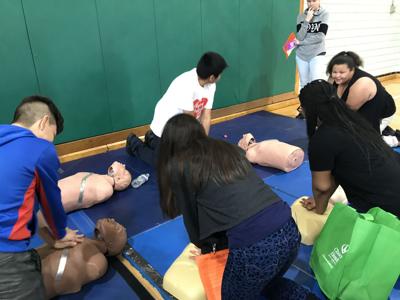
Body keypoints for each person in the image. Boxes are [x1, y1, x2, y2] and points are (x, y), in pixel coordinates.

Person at [157, 113, 317, 299]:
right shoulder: (226, 149)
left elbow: (193, 223)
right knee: (268, 283)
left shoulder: (181, 165)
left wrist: (206, 250)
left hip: (258, 248)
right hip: (289, 230)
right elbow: (236, 202)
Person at [0, 96, 83, 299]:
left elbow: (20, 201)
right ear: (44, 122)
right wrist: (60, 233)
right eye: (52, 135)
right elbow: (51, 203)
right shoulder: (40, 149)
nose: (50, 143)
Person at [299, 80, 400, 217]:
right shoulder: (354, 120)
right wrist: (321, 201)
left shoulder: (322, 139)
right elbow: (336, 170)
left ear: (309, 109)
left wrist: (319, 211)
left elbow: (321, 187)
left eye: (301, 108)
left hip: (388, 206)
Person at [126, 51, 228, 167]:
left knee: (186, 158)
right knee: (165, 164)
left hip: (182, 127)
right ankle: (133, 143)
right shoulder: (186, 84)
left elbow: (206, 115)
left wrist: (203, 142)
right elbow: (189, 121)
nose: (220, 76)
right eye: (220, 74)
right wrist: (197, 145)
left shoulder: (211, 85)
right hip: (165, 126)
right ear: (211, 77)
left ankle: (152, 140)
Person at [38, 218, 127, 299]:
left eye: (118, 229)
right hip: (27, 262)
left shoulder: (99, 262)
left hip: (31, 283)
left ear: (111, 244)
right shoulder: (77, 238)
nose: (113, 219)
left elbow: (69, 281)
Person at [327, 51, 396, 137]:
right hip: (357, 111)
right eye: (334, 71)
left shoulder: (362, 84)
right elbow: (327, 96)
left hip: (380, 114)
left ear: (352, 70)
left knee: (355, 142)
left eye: (342, 72)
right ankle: (385, 130)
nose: (337, 75)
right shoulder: (334, 77)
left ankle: (395, 139)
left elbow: (346, 115)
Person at [295, 0, 329, 118]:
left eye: (313, 1)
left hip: (317, 53)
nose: (310, 4)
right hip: (301, 55)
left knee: (316, 83)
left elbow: (320, 37)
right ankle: (305, 110)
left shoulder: (324, 14)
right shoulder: (301, 16)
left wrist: (301, 42)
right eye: (308, 1)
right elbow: (299, 36)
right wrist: (307, 20)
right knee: (304, 85)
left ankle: (318, 112)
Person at [59, 161, 132, 212]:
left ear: (118, 179)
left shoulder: (106, 189)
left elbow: (86, 202)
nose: (124, 165)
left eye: (125, 171)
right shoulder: (98, 178)